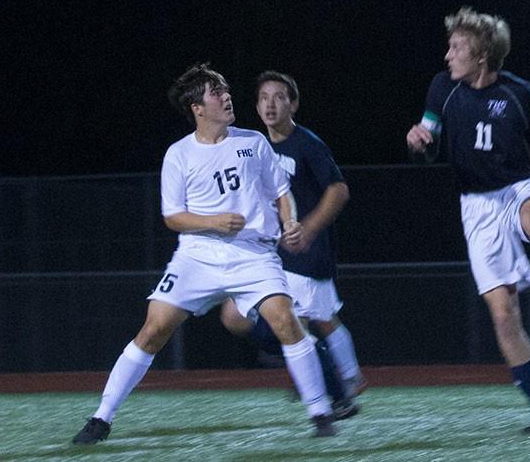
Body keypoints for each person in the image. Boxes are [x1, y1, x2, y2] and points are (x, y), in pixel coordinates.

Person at [72, 63, 337, 444]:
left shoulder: (253, 142)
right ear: (198, 107)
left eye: (226, 90)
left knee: (285, 319)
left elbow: (281, 193)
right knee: (153, 329)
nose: (227, 97)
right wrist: (213, 222)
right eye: (217, 93)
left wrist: (290, 222)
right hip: (197, 256)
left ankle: (320, 412)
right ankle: (101, 418)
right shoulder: (179, 155)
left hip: (253, 255)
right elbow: (173, 217)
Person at [406, 7, 530, 434]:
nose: (447, 56)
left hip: (519, 187)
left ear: (481, 55)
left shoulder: (519, 93)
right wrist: (419, 141)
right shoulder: (443, 88)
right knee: (502, 316)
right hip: (476, 205)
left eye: (456, 47)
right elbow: (430, 137)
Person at [219, 70, 364, 418]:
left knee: (301, 321)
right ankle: (341, 379)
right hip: (271, 252)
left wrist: (309, 229)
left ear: (293, 104)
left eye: (279, 96)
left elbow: (338, 189)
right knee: (252, 317)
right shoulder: (253, 147)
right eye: (264, 97)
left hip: (303, 252)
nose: (271, 103)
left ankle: (337, 386)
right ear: (255, 106)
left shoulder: (306, 144)